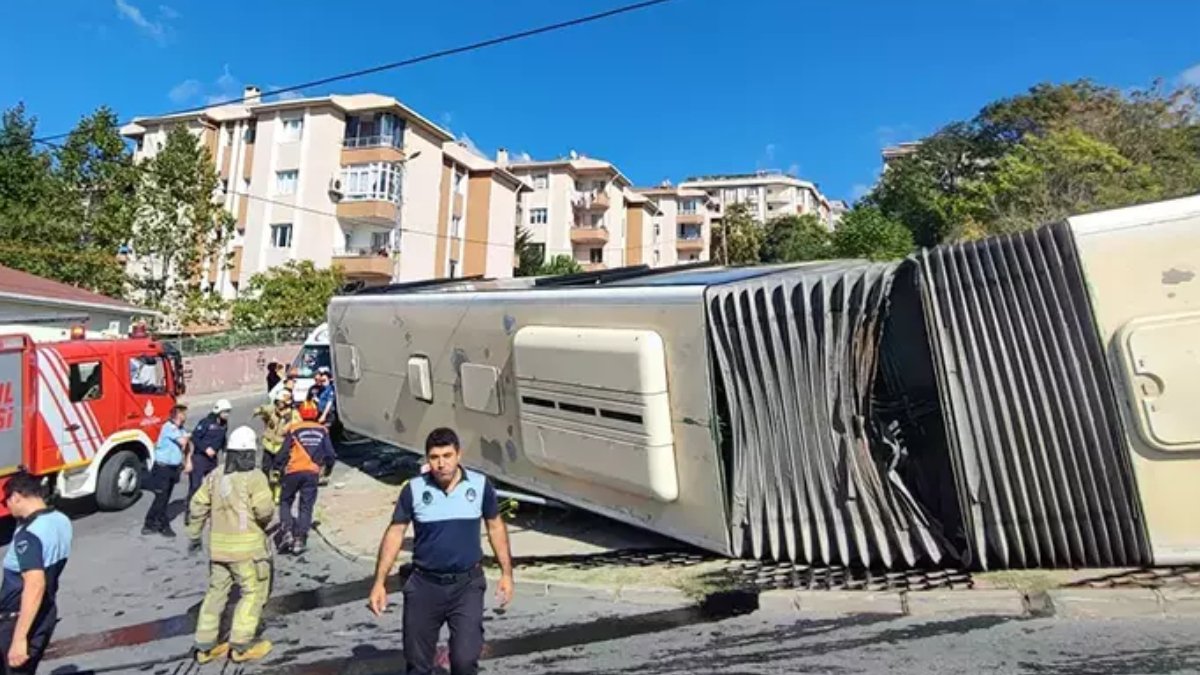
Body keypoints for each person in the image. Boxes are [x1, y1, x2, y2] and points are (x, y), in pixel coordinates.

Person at [369, 428, 514, 675]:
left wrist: (507, 573)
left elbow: (495, 527)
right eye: (434, 457)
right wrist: (379, 582)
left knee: (465, 661)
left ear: (458, 455)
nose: (441, 464)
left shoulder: (479, 486)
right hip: (424, 586)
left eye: (447, 456)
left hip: (466, 585)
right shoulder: (414, 490)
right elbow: (395, 533)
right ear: (427, 459)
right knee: (418, 665)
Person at [187, 426, 275, 665]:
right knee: (252, 593)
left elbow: (197, 506)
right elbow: (264, 510)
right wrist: (264, 524)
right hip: (247, 552)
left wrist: (194, 536)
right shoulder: (254, 477)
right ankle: (241, 645)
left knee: (215, 594)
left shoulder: (215, 476)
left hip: (218, 551)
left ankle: (204, 646)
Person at [0, 471, 72, 674]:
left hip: (18, 619)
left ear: (16, 497)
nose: (8, 507)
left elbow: (34, 584)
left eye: (7, 502)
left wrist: (19, 639)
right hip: (45, 612)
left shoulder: (29, 535)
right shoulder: (61, 520)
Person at [273, 403, 336, 556]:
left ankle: (287, 531)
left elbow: (283, 452)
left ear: (301, 414)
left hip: (293, 471)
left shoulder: (294, 429)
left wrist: (278, 468)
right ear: (315, 414)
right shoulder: (323, 430)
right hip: (312, 473)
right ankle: (300, 539)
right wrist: (327, 470)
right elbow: (330, 455)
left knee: (285, 501)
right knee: (306, 506)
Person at [143, 405, 190, 538]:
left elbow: (186, 442)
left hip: (173, 468)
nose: (186, 416)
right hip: (163, 468)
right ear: (178, 415)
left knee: (163, 498)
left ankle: (150, 522)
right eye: (184, 413)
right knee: (161, 498)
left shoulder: (180, 429)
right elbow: (183, 441)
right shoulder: (169, 427)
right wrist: (188, 437)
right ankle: (161, 525)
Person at [253, 389, 297, 504]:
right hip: (269, 445)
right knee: (266, 469)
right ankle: (267, 492)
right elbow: (266, 409)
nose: (278, 404)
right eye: (277, 402)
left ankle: (278, 495)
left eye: (280, 402)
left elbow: (297, 428)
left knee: (279, 472)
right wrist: (259, 410)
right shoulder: (273, 410)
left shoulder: (293, 415)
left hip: (282, 447)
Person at [188, 399, 232, 506]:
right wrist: (206, 448)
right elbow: (195, 437)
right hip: (200, 458)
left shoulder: (224, 424)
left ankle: (208, 509)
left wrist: (225, 451)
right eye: (225, 412)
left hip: (212, 460)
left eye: (228, 412)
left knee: (212, 484)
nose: (227, 414)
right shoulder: (206, 422)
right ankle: (190, 510)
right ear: (218, 411)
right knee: (195, 486)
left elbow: (223, 439)